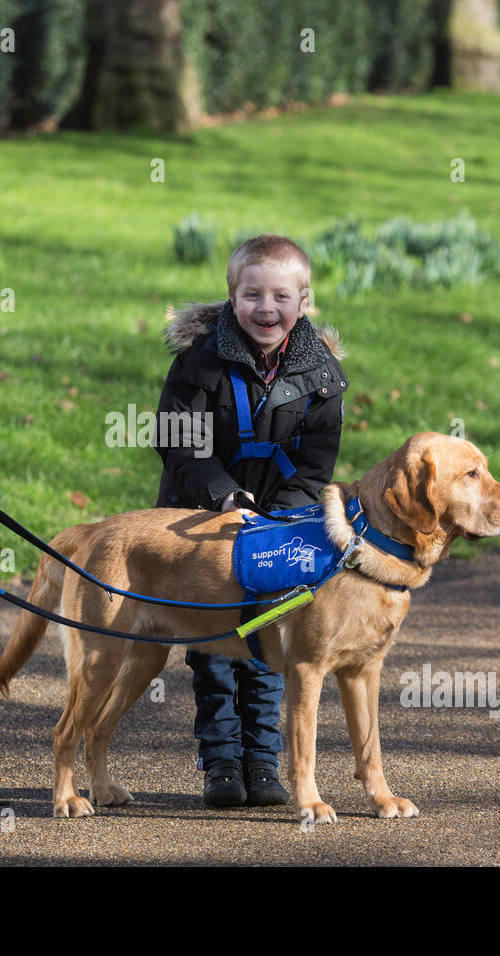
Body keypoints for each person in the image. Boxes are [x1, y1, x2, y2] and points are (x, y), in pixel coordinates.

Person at [153, 234, 348, 807]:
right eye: (252, 295)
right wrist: (224, 498)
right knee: (212, 645)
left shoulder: (324, 378)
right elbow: (178, 442)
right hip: (201, 517)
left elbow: (316, 466)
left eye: (281, 296)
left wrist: (279, 519)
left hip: (279, 528)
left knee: (269, 641)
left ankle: (263, 764)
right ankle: (220, 765)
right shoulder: (198, 362)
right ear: (231, 298)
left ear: (304, 301)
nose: (267, 309)